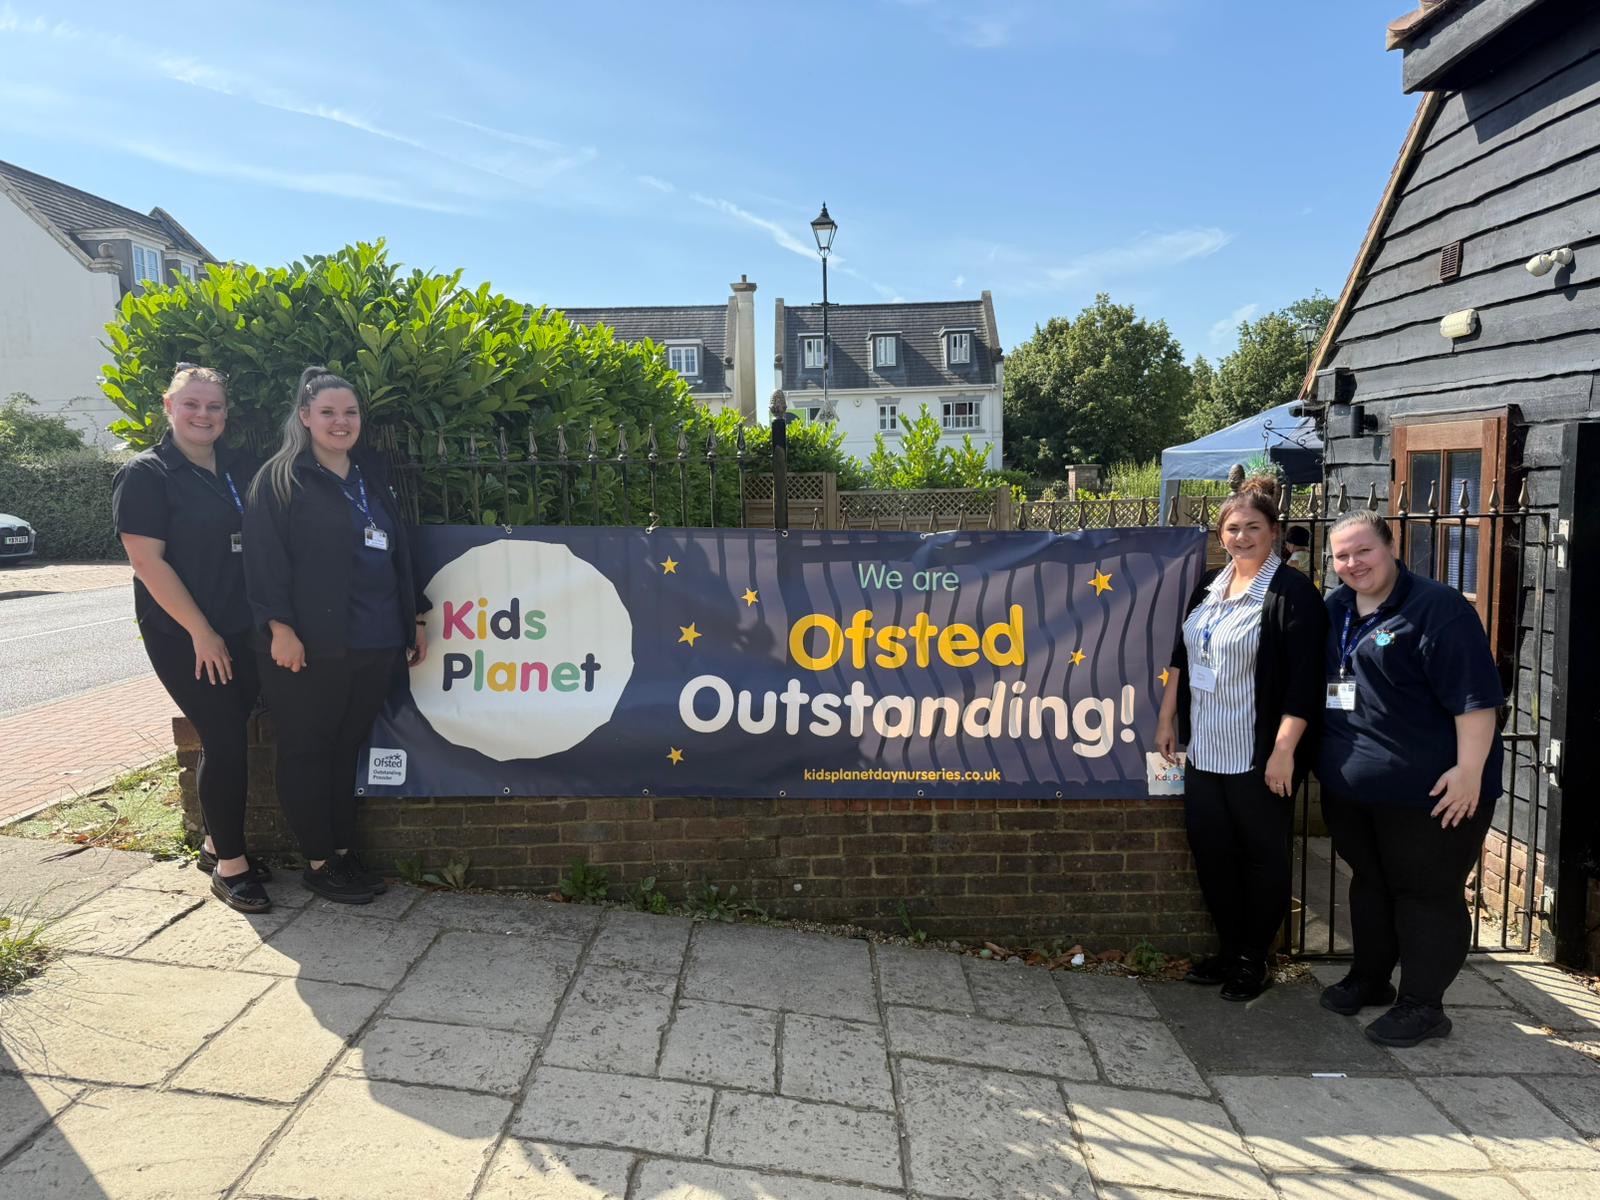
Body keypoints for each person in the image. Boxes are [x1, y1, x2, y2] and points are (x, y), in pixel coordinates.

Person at [1316, 508, 1503, 1047]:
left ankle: (1423, 1005)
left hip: (1431, 796)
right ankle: (1370, 979)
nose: (1353, 564)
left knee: (1426, 895)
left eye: (1364, 551)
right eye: (1342, 556)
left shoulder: (1436, 608)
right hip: (1355, 793)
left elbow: (1477, 702)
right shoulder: (1337, 609)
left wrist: (1469, 773)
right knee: (1371, 884)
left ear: (1392, 547)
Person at [244, 366, 427, 904]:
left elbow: (398, 552)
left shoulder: (370, 477)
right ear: (305, 418)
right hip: (308, 644)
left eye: (349, 412)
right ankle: (319, 861)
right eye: (327, 412)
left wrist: (413, 617)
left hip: (373, 642)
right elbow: (262, 562)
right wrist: (279, 627)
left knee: (345, 749)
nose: (340, 422)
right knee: (306, 750)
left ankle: (344, 852)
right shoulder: (279, 479)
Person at [1156, 476, 1328, 1001]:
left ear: (1274, 532)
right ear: (1220, 533)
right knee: (1212, 855)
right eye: (1233, 528)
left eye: (1253, 527)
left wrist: (1284, 752)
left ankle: (1257, 958)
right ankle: (1230, 950)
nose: (1242, 536)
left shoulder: (1292, 595)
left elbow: (1305, 682)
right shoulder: (1208, 585)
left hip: (1260, 755)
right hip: (1206, 749)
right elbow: (1181, 659)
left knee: (1262, 857)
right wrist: (1168, 719)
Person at [112, 364, 271, 913]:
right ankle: (231, 868)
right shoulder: (148, 474)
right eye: (193, 404)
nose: (203, 415)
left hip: (241, 628)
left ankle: (213, 844)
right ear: (169, 407)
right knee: (224, 736)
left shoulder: (241, 467)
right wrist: (202, 632)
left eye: (214, 406)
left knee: (232, 732)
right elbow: (146, 562)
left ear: (226, 414)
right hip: (185, 633)